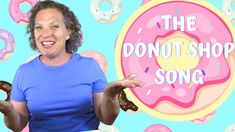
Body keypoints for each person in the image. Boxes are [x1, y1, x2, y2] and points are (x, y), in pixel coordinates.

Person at [0, 0, 144, 132]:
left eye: (54, 26)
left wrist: (111, 96)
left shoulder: (89, 67)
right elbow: (18, 125)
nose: (45, 34)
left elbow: (107, 118)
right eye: (39, 27)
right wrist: (9, 112)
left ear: (68, 32)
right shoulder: (24, 72)